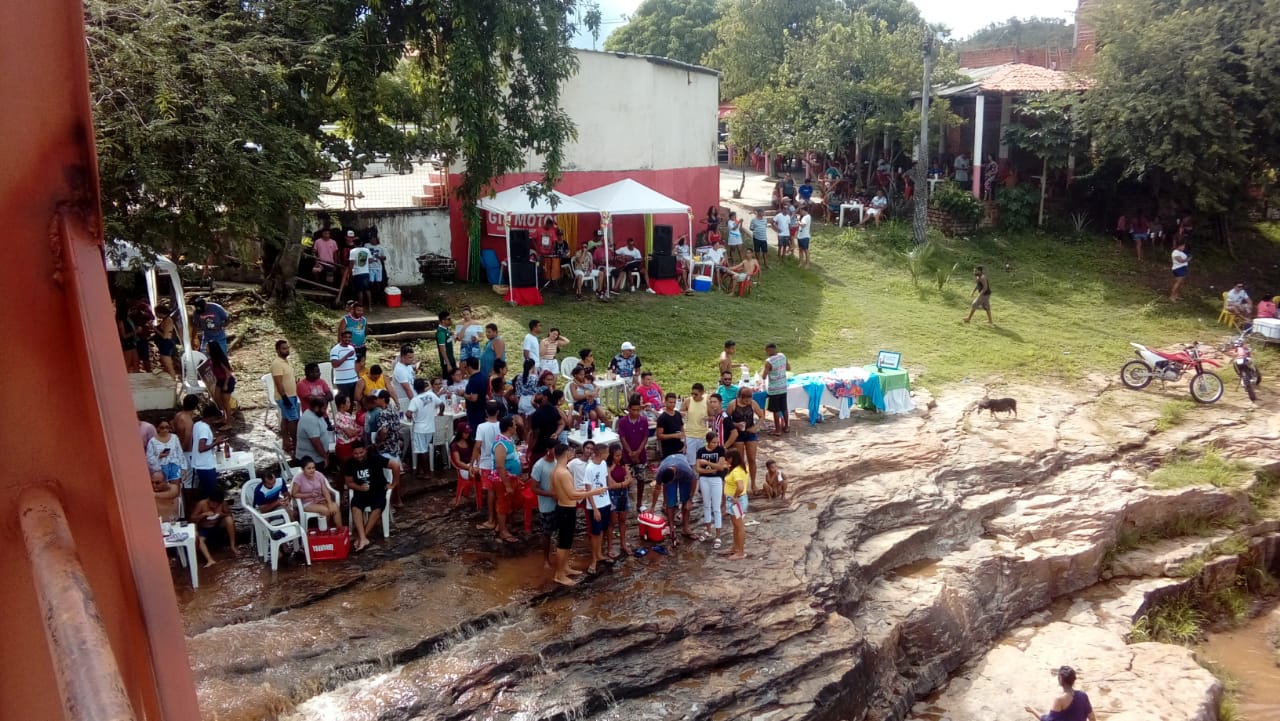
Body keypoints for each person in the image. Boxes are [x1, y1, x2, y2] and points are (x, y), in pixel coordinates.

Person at [550, 442, 602, 586]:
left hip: (564, 507)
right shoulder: (563, 472)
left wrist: (582, 491)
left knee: (566, 542)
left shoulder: (556, 470)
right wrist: (594, 492)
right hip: (566, 509)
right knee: (563, 543)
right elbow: (572, 495)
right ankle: (559, 574)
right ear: (566, 454)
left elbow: (562, 491)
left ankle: (565, 568)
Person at [343, 441, 390, 551]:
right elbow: (349, 482)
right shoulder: (349, 464)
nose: (359, 455)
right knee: (355, 507)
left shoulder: (375, 458)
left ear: (365, 451)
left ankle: (362, 537)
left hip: (378, 490)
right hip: (361, 492)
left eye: (361, 452)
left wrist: (393, 484)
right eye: (356, 453)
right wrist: (360, 488)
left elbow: (395, 466)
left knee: (377, 508)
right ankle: (363, 538)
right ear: (352, 453)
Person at [490, 415, 523, 544]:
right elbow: (499, 466)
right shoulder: (500, 444)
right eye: (514, 425)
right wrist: (507, 484)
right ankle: (503, 531)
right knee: (503, 504)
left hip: (512, 478)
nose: (516, 427)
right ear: (509, 427)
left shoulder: (508, 441)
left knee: (511, 502)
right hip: (502, 480)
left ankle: (502, 525)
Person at [582, 441, 613, 571]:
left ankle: (599, 554)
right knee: (595, 533)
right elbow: (588, 490)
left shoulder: (604, 464)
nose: (608, 454)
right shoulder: (589, 468)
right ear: (601, 453)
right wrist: (594, 509)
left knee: (601, 531)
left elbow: (605, 482)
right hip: (595, 505)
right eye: (607, 452)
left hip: (605, 502)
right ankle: (594, 559)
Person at [368, 390, 405, 503]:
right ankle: (398, 500)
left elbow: (383, 431)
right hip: (394, 447)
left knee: (387, 478)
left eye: (377, 398)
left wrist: (378, 443)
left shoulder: (383, 413)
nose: (375, 400)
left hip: (386, 448)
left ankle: (390, 503)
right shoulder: (393, 410)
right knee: (396, 474)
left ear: (383, 399)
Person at [617, 396, 651, 517]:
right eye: (634, 410)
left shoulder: (643, 420)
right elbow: (622, 438)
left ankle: (639, 503)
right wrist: (631, 452)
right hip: (627, 457)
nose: (636, 412)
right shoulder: (623, 422)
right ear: (629, 409)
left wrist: (637, 452)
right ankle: (625, 502)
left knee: (641, 480)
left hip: (641, 456)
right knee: (626, 481)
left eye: (638, 410)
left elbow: (645, 437)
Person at [470, 402, 503, 530]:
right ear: (498, 412)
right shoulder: (502, 425)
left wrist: (472, 463)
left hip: (486, 463)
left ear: (485, 412)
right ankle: (502, 521)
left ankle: (491, 520)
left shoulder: (481, 427)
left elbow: (477, 446)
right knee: (500, 491)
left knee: (490, 492)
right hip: (500, 462)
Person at [147, 419, 186, 519]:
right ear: (157, 429)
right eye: (162, 427)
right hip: (161, 468)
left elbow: (179, 452)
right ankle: (165, 514)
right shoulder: (152, 441)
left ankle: (179, 514)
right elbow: (149, 458)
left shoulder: (174, 437)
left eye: (167, 427)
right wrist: (159, 456)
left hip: (174, 466)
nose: (165, 430)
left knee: (177, 491)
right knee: (163, 489)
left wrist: (183, 467)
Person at [1024, 666, 1096, 721]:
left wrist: (1032, 710)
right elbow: (1092, 718)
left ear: (1060, 679)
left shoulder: (1060, 699)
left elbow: (1049, 720)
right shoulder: (1083, 695)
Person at [727, 388, 764, 496]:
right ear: (740, 397)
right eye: (746, 400)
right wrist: (736, 425)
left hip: (750, 432)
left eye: (749, 400)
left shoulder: (753, 403)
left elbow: (761, 416)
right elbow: (726, 420)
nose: (748, 402)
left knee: (752, 459)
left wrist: (756, 427)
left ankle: (753, 483)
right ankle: (741, 484)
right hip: (738, 434)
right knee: (740, 460)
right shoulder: (733, 404)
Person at [695, 430, 727, 550]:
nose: (715, 444)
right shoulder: (701, 451)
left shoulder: (720, 450)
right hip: (704, 480)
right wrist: (711, 470)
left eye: (716, 442)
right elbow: (698, 469)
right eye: (713, 442)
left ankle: (718, 535)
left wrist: (707, 463)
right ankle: (708, 530)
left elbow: (720, 466)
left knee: (716, 507)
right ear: (708, 442)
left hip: (716, 480)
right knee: (706, 505)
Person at [190, 487, 238, 567]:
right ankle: (209, 559)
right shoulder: (202, 504)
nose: (214, 506)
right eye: (212, 503)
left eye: (216, 504)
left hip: (217, 526)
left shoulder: (223, 504)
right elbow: (192, 519)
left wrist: (222, 514)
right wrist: (203, 515)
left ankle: (233, 546)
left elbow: (229, 514)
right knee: (199, 539)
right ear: (209, 499)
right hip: (204, 528)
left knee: (229, 519)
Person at [655, 453, 695, 546]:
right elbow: (657, 489)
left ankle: (686, 528)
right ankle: (671, 527)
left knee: (685, 501)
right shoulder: (661, 472)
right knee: (671, 502)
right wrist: (655, 505)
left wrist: (690, 499)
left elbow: (694, 481)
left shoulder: (686, 470)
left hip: (684, 476)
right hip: (668, 465)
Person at [530, 445, 559, 569]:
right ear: (548, 449)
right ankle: (546, 559)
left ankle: (558, 557)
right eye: (554, 449)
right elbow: (533, 488)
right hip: (546, 506)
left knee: (559, 532)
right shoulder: (539, 466)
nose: (556, 451)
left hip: (559, 503)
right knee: (547, 534)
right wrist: (550, 494)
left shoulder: (558, 461)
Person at [407, 377, 443, 472]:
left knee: (422, 450)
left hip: (419, 428)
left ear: (414, 388)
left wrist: (410, 418)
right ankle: (420, 470)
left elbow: (409, 413)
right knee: (423, 448)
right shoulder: (431, 394)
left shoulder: (415, 400)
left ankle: (426, 472)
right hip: (430, 427)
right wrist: (441, 413)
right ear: (425, 386)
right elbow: (442, 404)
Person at [271, 339, 299, 455]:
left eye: (287, 348)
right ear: (277, 350)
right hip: (285, 397)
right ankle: (295, 443)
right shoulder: (277, 363)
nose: (286, 350)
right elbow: (278, 383)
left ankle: (286, 441)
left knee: (286, 418)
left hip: (292, 395)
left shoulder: (286, 361)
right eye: (283, 348)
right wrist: (285, 397)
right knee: (293, 419)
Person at [605, 443, 633, 559]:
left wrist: (622, 484)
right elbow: (610, 485)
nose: (619, 458)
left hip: (623, 495)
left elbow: (630, 479)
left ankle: (623, 543)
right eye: (616, 456)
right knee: (612, 522)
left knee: (622, 520)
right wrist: (623, 483)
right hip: (612, 496)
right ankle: (610, 547)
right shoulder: (607, 466)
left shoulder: (623, 464)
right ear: (611, 455)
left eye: (620, 455)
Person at [191, 404, 224, 500]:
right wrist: (216, 443)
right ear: (211, 417)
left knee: (205, 490)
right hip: (205, 465)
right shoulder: (204, 428)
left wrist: (213, 440)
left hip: (199, 463)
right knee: (210, 492)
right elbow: (201, 448)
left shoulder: (197, 424)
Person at [723, 448, 749, 560]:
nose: (726, 461)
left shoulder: (737, 471)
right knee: (735, 525)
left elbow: (740, 487)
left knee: (739, 526)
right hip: (735, 500)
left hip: (736, 501)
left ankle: (741, 551)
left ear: (732, 458)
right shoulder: (740, 468)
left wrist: (735, 496)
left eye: (728, 459)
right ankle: (735, 547)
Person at [204, 341, 236, 429]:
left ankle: (229, 423)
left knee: (226, 402)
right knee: (217, 397)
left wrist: (225, 385)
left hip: (227, 381)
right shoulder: (212, 358)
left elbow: (228, 373)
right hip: (219, 381)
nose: (206, 348)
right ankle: (224, 416)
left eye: (207, 347)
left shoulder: (220, 359)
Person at [762, 342, 790, 436]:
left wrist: (766, 370)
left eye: (766, 350)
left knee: (776, 410)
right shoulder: (782, 356)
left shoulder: (768, 361)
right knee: (784, 408)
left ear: (769, 350)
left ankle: (777, 430)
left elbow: (764, 376)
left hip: (774, 389)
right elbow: (788, 367)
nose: (766, 352)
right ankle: (786, 427)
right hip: (783, 387)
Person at [296, 397, 332, 470]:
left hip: (317, 457)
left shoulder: (316, 414)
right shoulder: (310, 419)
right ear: (316, 408)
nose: (325, 411)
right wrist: (325, 456)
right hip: (311, 460)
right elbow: (316, 442)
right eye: (324, 409)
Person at [449, 422, 475, 506]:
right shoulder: (455, 445)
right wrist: (470, 468)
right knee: (476, 473)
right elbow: (458, 462)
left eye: (468, 432)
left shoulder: (470, 442)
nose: (467, 434)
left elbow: (477, 454)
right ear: (461, 433)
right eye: (465, 432)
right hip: (463, 468)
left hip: (472, 464)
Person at [152, 303, 180, 381]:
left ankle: (173, 380)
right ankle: (171, 379)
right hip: (163, 344)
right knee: (165, 364)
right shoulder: (165, 320)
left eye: (157, 313)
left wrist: (155, 329)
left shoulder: (168, 320)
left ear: (160, 313)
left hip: (166, 344)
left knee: (169, 366)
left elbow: (165, 336)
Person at [681, 383, 708, 463]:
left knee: (701, 460)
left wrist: (707, 418)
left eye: (696, 394)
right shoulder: (688, 401)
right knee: (690, 461)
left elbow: (712, 416)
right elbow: (681, 411)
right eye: (692, 393)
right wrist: (683, 413)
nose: (693, 396)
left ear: (702, 393)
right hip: (690, 434)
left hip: (702, 435)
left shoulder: (707, 402)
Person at [463, 357, 488, 435]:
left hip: (474, 412)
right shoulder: (483, 377)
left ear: (469, 367)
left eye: (465, 367)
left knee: (475, 433)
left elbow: (473, 398)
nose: (465, 369)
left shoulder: (473, 380)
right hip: (482, 409)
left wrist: (463, 394)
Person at [333, 392, 361, 462]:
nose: (350, 404)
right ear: (342, 405)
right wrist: (358, 430)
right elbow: (350, 434)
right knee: (347, 466)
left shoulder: (347, 414)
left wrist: (355, 430)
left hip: (352, 443)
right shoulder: (339, 416)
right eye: (348, 402)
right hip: (345, 446)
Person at [330, 330, 359, 398]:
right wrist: (347, 356)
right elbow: (335, 365)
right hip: (342, 381)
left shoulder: (352, 348)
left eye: (349, 337)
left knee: (353, 402)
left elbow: (354, 363)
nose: (347, 339)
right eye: (345, 337)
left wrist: (358, 376)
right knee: (345, 403)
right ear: (341, 337)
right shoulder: (335, 349)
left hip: (354, 379)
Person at [348, 239, 373, 309]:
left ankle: (360, 306)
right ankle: (370, 306)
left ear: (354, 243)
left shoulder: (352, 251)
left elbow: (351, 263)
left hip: (357, 273)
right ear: (361, 243)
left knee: (360, 290)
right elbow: (371, 261)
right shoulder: (366, 250)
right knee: (367, 290)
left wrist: (350, 274)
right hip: (366, 272)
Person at [435, 309, 456, 376]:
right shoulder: (441, 332)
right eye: (448, 319)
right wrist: (448, 364)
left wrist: (453, 336)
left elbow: (447, 340)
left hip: (451, 358)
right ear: (443, 321)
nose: (450, 320)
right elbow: (442, 350)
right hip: (447, 362)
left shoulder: (445, 329)